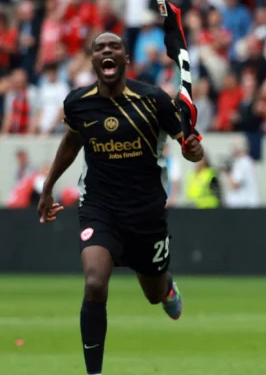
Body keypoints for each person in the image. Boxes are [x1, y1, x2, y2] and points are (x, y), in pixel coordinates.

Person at [36, 32, 206, 375]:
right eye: (99, 47)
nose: (107, 51)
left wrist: (193, 150)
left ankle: (167, 285)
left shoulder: (153, 100)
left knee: (154, 293)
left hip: (146, 213)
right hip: (101, 208)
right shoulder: (78, 103)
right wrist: (48, 187)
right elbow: (72, 141)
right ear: (93, 59)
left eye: (114, 46)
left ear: (126, 58)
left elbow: (189, 147)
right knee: (95, 281)